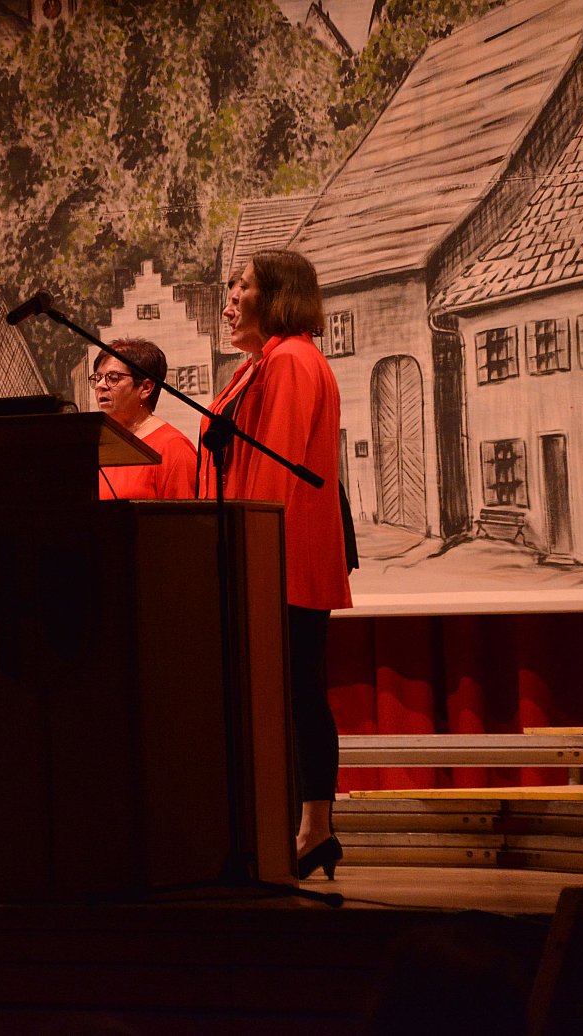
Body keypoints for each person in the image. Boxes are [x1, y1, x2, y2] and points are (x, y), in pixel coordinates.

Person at [204, 249, 351, 879]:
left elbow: (275, 467)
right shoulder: (265, 362)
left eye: (241, 288)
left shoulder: (290, 359)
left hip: (279, 556)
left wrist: (248, 554)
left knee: (294, 693)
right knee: (291, 692)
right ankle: (301, 829)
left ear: (277, 295)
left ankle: (310, 828)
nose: (230, 302)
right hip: (270, 552)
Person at [89, 339, 198, 500]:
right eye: (98, 378)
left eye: (113, 378)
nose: (100, 385)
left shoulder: (173, 447)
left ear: (146, 388)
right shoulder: (99, 445)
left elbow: (186, 514)